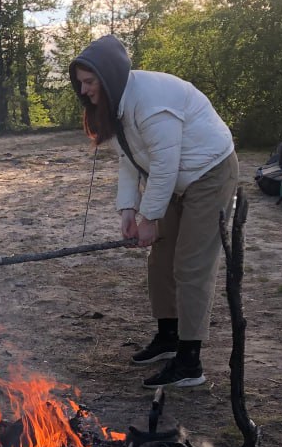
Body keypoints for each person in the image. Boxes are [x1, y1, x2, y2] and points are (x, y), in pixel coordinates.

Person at [70, 35, 238, 388]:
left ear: (109, 76)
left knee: (191, 263)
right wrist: (128, 211)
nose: (84, 91)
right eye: (80, 83)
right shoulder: (117, 103)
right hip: (176, 178)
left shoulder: (150, 101)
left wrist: (150, 218)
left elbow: (164, 163)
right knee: (160, 258)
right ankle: (168, 337)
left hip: (208, 172)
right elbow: (129, 160)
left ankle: (190, 362)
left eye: (89, 82)